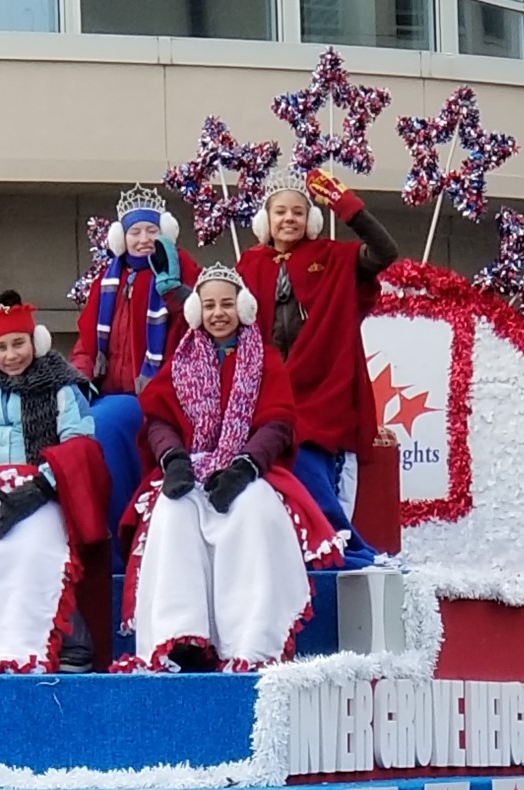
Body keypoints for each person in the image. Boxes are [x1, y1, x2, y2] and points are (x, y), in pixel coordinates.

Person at [117, 263, 347, 672]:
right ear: (196, 311)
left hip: (247, 467)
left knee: (253, 510)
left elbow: (278, 422)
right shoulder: (181, 359)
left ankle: (250, 638)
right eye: (209, 305)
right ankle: (181, 635)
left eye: (226, 304)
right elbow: (158, 420)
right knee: (173, 514)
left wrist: (244, 467)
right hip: (189, 468)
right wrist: (173, 462)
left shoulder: (266, 359)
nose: (218, 313)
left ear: (242, 307)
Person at [0, 294, 109, 673]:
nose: (11, 354)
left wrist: (41, 488)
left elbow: (80, 444)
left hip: (43, 487)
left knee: (33, 545)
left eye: (19, 343)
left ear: (36, 342)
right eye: (1, 347)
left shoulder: (63, 387)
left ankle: (66, 636)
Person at [238, 167, 398, 568]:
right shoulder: (249, 266)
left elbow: (385, 252)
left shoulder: (332, 256)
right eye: (280, 212)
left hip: (322, 396)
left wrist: (347, 206)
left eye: (297, 211)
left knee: (307, 464)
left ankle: (340, 545)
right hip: (266, 394)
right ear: (266, 220)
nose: (288, 219)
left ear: (309, 220)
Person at [70, 184, 200, 570]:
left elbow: (198, 322)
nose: (143, 240)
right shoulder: (106, 280)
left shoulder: (181, 269)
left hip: (164, 394)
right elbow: (86, 341)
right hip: (112, 394)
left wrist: (174, 289)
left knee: (103, 428)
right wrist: (78, 381)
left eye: (151, 231)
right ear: (120, 238)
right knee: (84, 432)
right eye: (134, 232)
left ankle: (120, 548)